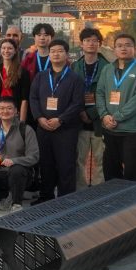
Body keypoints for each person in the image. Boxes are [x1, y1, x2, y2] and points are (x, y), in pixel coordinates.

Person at [29, 39, 85, 204]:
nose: (56, 54)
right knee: (45, 163)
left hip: (66, 129)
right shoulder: (41, 77)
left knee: (66, 164)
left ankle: (65, 199)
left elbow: (78, 104)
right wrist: (39, 118)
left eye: (60, 51)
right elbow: (33, 98)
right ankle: (45, 196)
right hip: (43, 127)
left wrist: (60, 120)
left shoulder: (75, 78)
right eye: (52, 51)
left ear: (67, 55)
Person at [95, 34, 136, 182]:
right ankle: (113, 203)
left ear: (135, 49)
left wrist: (117, 117)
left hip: (130, 130)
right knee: (110, 171)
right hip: (109, 129)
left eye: (127, 45)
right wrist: (104, 115)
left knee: (133, 172)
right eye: (119, 45)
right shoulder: (107, 69)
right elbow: (99, 93)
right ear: (115, 49)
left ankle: (132, 204)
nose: (123, 48)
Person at [0, 98, 39, 212]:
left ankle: (16, 203)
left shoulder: (25, 129)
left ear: (16, 111)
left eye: (9, 108)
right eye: (1, 108)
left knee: (16, 170)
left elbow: (34, 156)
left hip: (21, 173)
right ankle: (7, 195)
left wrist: (14, 161)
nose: (5, 111)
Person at [72, 28, 110, 189]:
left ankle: (98, 190)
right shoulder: (75, 66)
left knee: (100, 159)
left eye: (95, 40)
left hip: (99, 121)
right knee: (79, 159)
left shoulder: (107, 67)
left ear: (99, 44)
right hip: (79, 121)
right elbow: (71, 92)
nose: (91, 43)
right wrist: (81, 111)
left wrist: (92, 113)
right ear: (81, 44)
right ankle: (80, 190)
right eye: (87, 40)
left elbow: (109, 94)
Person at [0, 38, 30, 130]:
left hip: (14, 113)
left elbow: (24, 99)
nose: (6, 51)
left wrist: (22, 122)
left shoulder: (22, 72)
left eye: (10, 48)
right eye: (3, 48)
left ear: (15, 51)